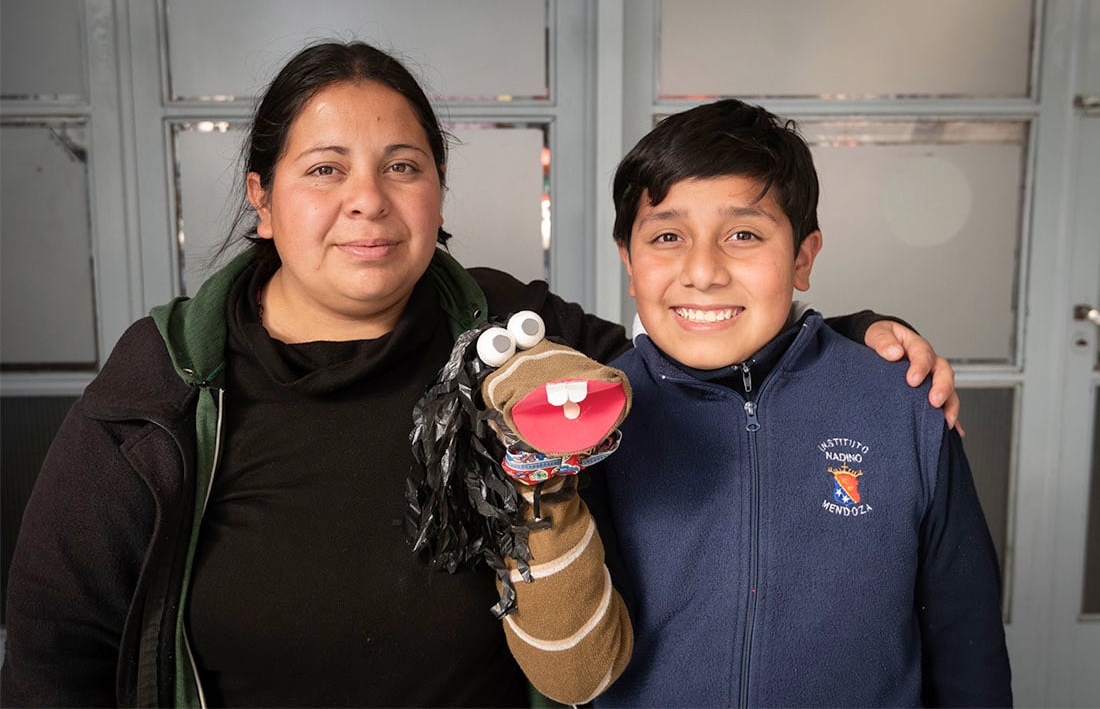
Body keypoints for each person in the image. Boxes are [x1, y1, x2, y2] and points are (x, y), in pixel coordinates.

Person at [1, 42, 959, 707]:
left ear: (439, 191)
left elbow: (693, 345)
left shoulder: (506, 327)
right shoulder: (168, 384)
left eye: (404, 167)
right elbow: (54, 649)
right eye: (326, 170)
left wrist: (854, 336)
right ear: (262, 198)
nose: (368, 203)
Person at [522, 99, 1010, 706]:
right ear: (629, 261)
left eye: (744, 235)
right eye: (668, 236)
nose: (702, 271)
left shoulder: (901, 406)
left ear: (803, 257)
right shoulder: (591, 424)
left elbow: (968, 635)